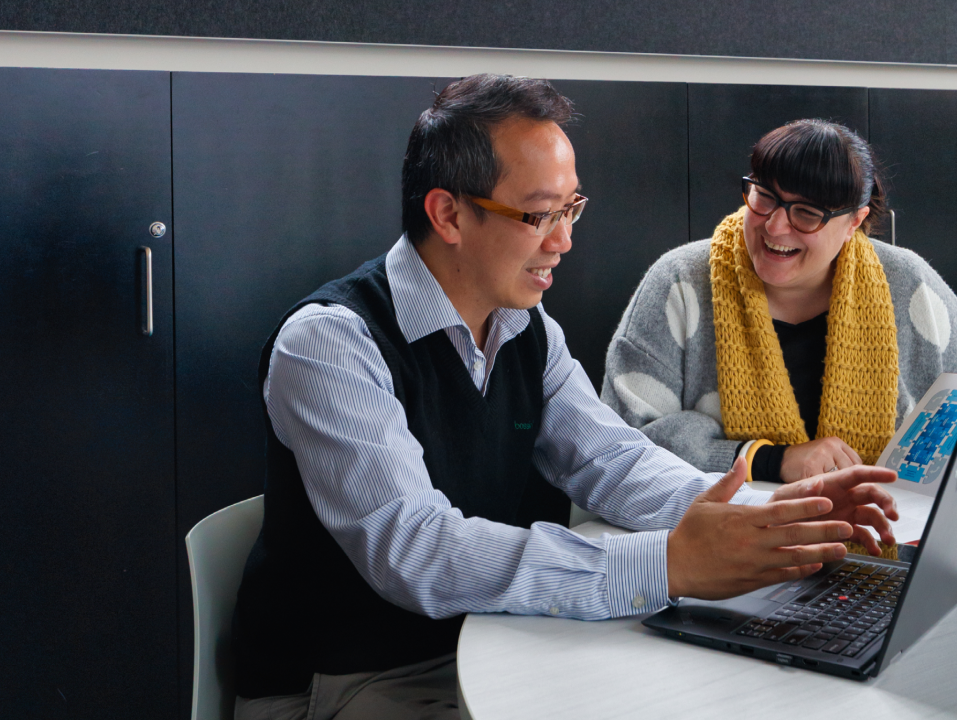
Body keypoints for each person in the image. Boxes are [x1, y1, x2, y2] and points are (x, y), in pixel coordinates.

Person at [230, 77, 900, 720]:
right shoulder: (328, 343)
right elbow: (419, 552)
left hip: (494, 641)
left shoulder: (524, 327)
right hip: (345, 687)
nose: (564, 240)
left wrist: (776, 516)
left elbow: (613, 461)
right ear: (447, 213)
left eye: (571, 208)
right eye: (539, 214)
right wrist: (670, 563)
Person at [601, 119, 957, 554]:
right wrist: (773, 459)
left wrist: (920, 471)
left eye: (807, 214)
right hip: (719, 558)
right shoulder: (680, 282)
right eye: (764, 197)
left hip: (890, 553)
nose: (776, 227)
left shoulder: (907, 284)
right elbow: (621, 444)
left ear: (855, 220)